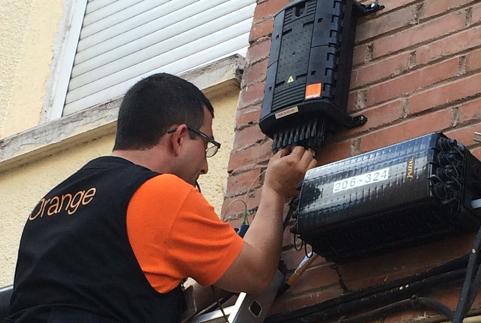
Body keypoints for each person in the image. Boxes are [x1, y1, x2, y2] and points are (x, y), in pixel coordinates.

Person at [7, 73, 316, 322]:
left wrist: (209, 282)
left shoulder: (49, 205)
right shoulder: (159, 192)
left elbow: (112, 296)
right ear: (179, 137)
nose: (206, 166)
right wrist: (275, 190)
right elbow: (257, 273)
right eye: (207, 143)